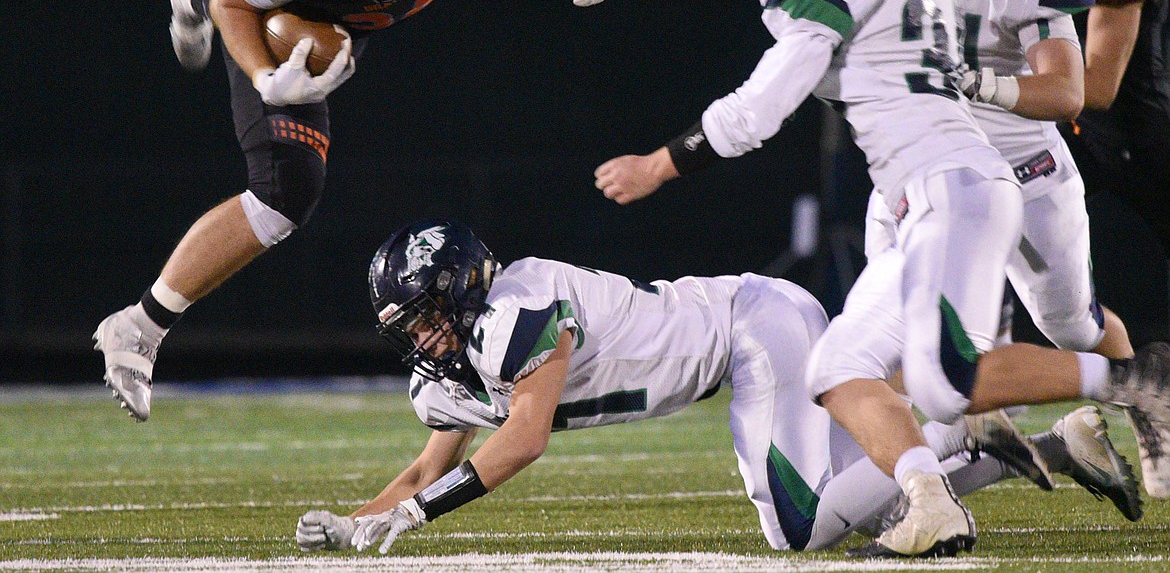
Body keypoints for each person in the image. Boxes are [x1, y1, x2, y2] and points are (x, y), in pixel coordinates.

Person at [593, 0, 1170, 557]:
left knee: (947, 381)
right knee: (839, 368)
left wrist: (661, 162)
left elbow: (762, 108)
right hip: (932, 190)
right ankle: (932, 500)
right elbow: (855, 71)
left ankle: (1131, 377)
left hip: (964, 184)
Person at [92, 0, 658, 422]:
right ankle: (138, 327)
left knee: (319, 48)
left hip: (340, 29)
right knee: (284, 195)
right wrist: (264, 79)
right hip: (284, 26)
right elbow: (240, 7)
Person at [292, 218, 1139, 556]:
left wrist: (418, 515)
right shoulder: (451, 367)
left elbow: (524, 437)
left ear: (469, 290)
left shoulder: (521, 306)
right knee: (869, 505)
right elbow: (420, 469)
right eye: (411, 327)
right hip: (739, 343)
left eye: (432, 316)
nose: (426, 338)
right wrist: (357, 520)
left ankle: (954, 434)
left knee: (799, 527)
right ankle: (1056, 446)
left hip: (750, 329)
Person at [1029, 0, 1170, 498]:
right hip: (1067, 129)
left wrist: (998, 84)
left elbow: (1102, 88)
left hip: (1136, 130)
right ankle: (1142, 399)